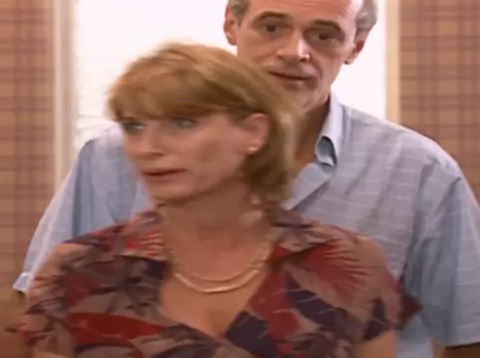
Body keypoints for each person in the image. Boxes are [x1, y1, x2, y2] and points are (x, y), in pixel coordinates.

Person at [10, 0, 480, 358]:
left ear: (354, 46)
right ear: (232, 25)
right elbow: (41, 312)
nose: (294, 52)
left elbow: (468, 333)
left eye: (323, 35)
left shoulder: (418, 173)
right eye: (272, 27)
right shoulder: (113, 157)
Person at [8, 43, 406, 357]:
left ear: (254, 133)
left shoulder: (347, 265)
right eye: (134, 126)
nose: (148, 147)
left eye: (182, 123)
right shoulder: (78, 272)